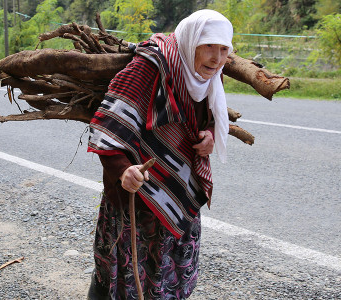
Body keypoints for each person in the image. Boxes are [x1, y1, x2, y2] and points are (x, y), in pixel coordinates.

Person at [87, 9, 233, 300]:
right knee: (121, 273)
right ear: (192, 42)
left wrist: (210, 136)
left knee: (170, 275)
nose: (216, 59)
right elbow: (108, 125)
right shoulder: (151, 66)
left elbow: (203, 119)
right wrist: (122, 170)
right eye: (208, 47)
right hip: (137, 197)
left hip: (178, 195)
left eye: (223, 49)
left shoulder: (206, 76)